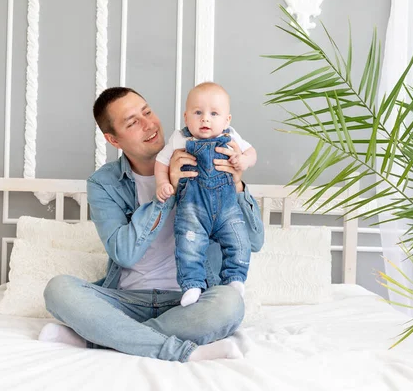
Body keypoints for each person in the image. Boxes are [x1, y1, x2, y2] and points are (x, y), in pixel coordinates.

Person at [38, 87, 264, 363]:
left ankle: (100, 339)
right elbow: (124, 254)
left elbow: (253, 242)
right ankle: (178, 350)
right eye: (133, 122)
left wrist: (237, 185)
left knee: (230, 304)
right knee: (58, 289)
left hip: (191, 301)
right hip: (126, 302)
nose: (149, 124)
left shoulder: (213, 162)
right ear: (113, 139)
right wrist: (167, 189)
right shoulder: (103, 183)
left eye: (147, 112)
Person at [155, 82, 257, 307]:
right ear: (186, 117)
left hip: (227, 207)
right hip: (193, 208)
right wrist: (163, 182)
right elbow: (161, 161)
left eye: (214, 113)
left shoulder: (231, 137)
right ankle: (192, 284)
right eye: (198, 112)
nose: (205, 119)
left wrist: (244, 161)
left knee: (239, 240)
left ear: (227, 120)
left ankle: (235, 279)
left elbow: (252, 152)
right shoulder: (180, 139)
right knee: (188, 244)